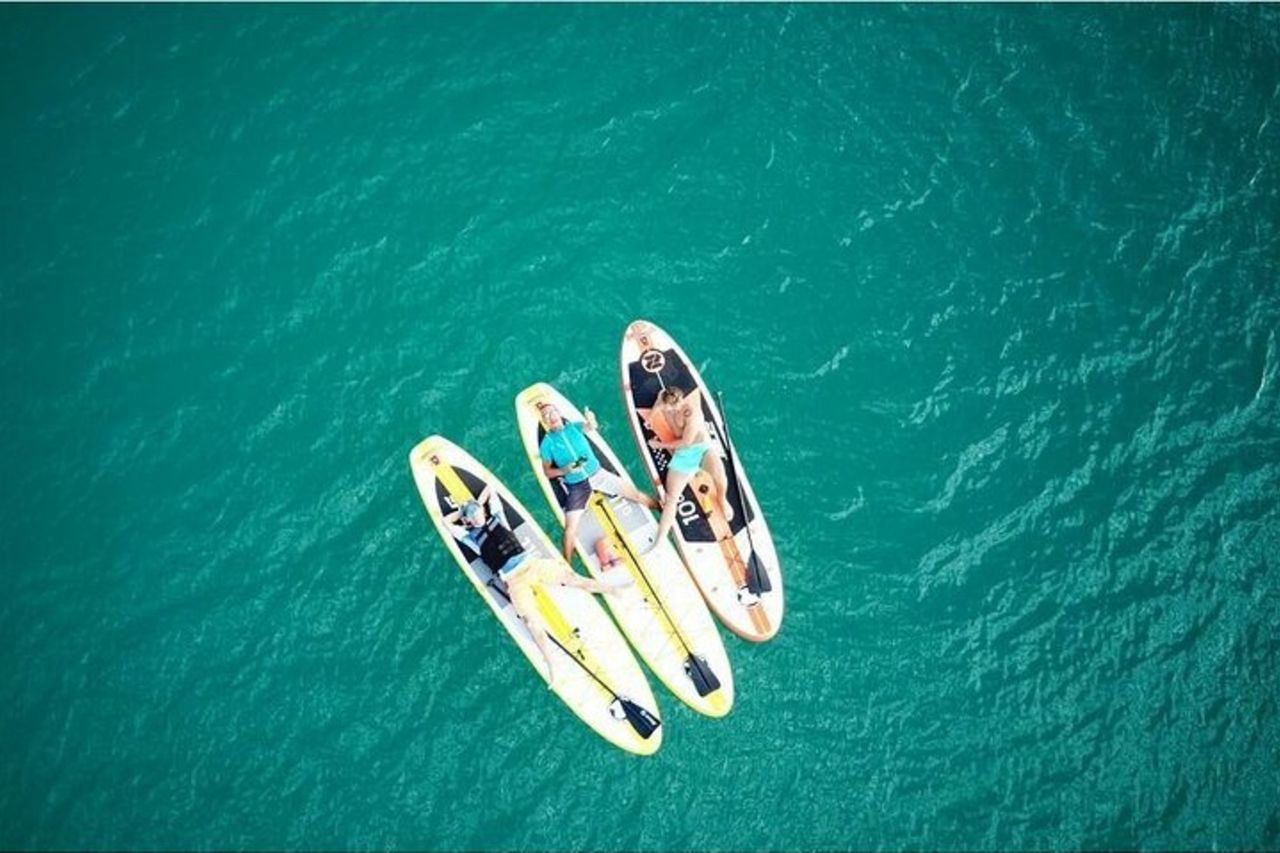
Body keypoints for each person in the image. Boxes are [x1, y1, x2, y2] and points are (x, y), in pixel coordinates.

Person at [444, 485, 628, 688]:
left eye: (478, 512)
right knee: (532, 623)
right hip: (514, 581)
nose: (476, 516)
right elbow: (446, 523)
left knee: (573, 579)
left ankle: (614, 590)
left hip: (532, 565)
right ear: (468, 521)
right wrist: (463, 512)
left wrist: (476, 504)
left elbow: (490, 488)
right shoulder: (471, 537)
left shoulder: (497, 517)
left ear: (483, 511)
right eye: (472, 516)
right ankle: (552, 664)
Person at [538, 402, 659, 561]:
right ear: (545, 422)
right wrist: (565, 470)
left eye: (552, 412)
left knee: (636, 495)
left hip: (598, 474)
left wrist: (591, 420)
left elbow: (590, 427)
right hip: (577, 486)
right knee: (570, 528)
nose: (550, 416)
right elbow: (547, 472)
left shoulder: (574, 427)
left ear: (558, 413)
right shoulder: (547, 443)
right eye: (546, 415)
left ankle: (662, 508)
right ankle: (566, 563)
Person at [642, 386, 733, 554]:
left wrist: (659, 445)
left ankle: (722, 499)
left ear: (679, 403)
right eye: (666, 407)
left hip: (699, 448)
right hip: (684, 456)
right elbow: (659, 404)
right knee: (671, 499)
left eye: (671, 408)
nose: (668, 410)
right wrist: (652, 417)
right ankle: (660, 541)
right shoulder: (663, 397)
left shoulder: (692, 414)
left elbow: (686, 442)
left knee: (720, 473)